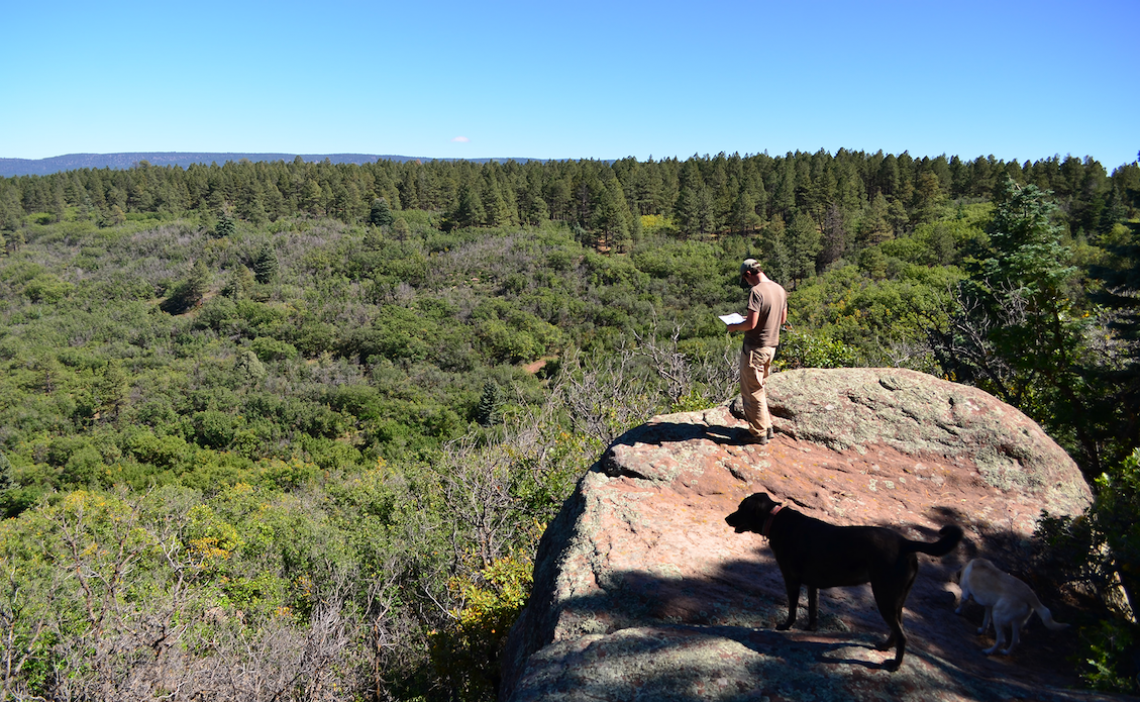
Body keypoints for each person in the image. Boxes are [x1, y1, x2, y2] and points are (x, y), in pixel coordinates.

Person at [725, 258, 787, 444]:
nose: (747, 283)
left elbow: (751, 324)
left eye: (745, 279)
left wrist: (734, 327)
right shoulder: (779, 289)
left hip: (755, 349)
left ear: (748, 274)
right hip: (771, 347)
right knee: (760, 388)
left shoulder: (756, 291)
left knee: (752, 391)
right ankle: (766, 428)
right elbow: (781, 319)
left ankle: (758, 434)